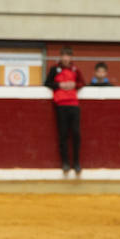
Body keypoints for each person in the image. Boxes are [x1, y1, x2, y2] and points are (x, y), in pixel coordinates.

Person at [44, 46, 84, 177]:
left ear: (71, 57)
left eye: (68, 56)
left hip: (73, 104)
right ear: (61, 57)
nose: (66, 58)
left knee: (76, 134)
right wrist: (59, 85)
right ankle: (65, 162)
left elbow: (82, 82)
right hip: (60, 104)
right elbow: (47, 83)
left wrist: (75, 85)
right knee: (63, 134)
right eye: (64, 56)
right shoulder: (55, 69)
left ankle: (76, 163)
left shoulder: (75, 69)